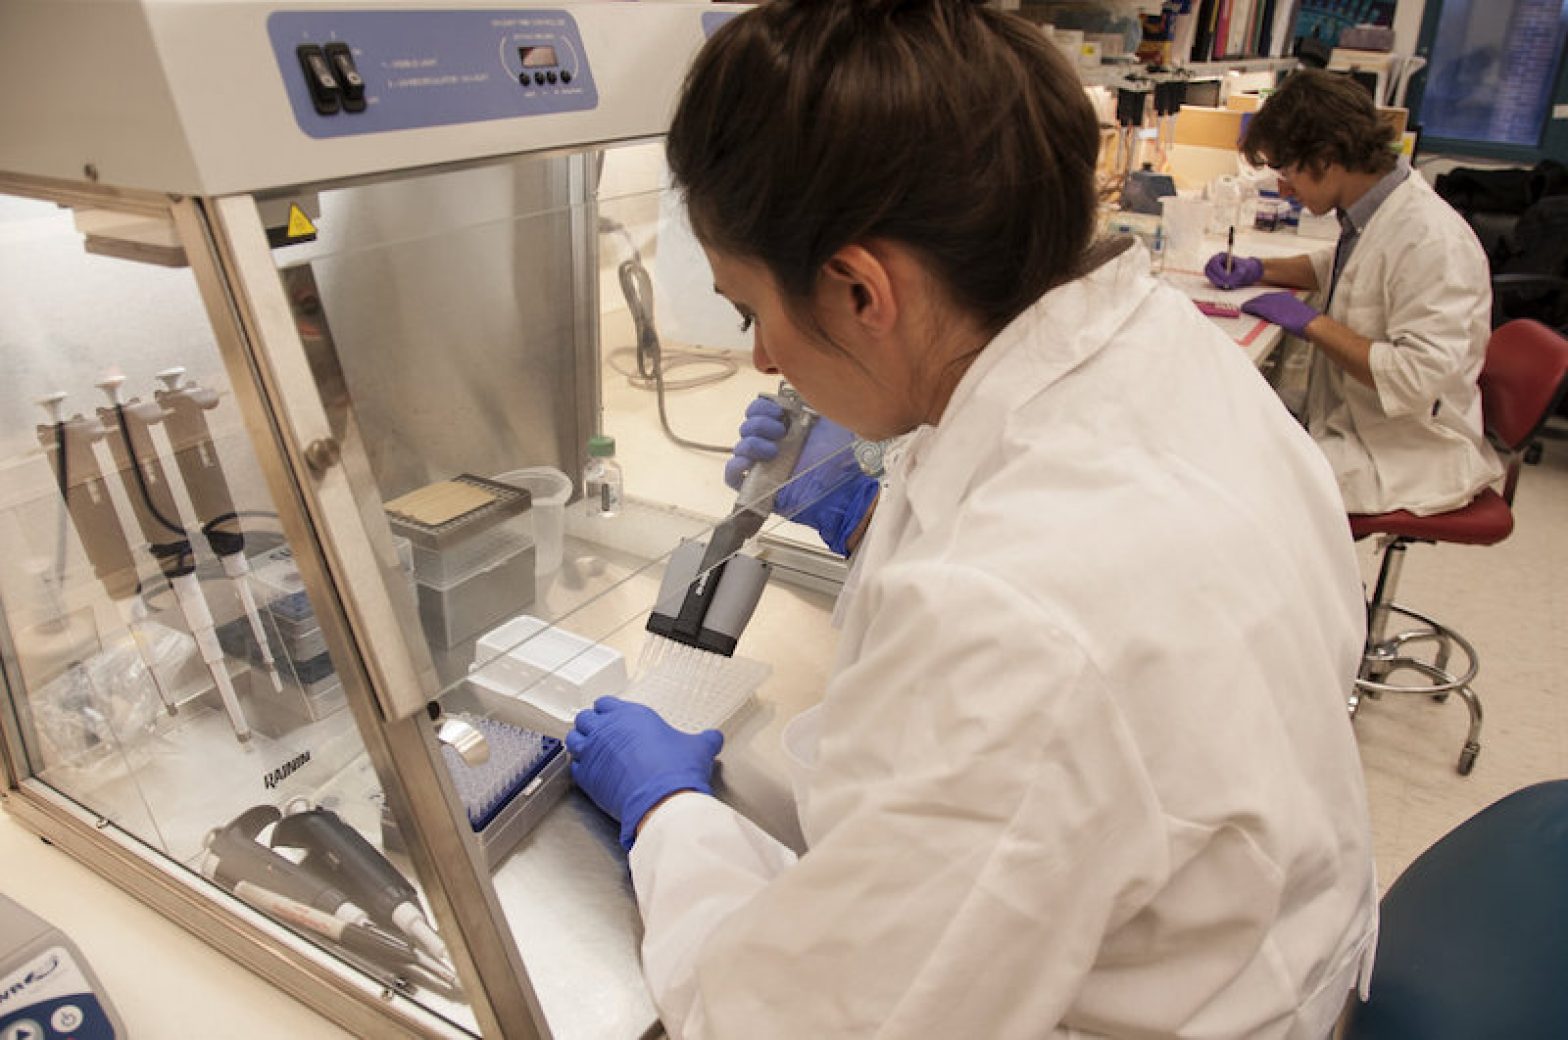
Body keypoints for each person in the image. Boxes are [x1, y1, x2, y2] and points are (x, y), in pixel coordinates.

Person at [567, 3, 1377, 1036]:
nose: (762, 358)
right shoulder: (1159, 344)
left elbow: (788, 1021)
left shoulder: (1017, 620)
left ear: (862, 288)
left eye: (747, 310)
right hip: (1240, 931)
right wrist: (872, 509)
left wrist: (667, 817)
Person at [1204, 69, 1503, 517]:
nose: (1282, 187)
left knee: (1231, 484)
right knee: (1225, 426)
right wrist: (1259, 269)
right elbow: (1349, 268)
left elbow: (1415, 378)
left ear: (1325, 158)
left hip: (1405, 451)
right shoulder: (1378, 210)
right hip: (1352, 419)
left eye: (1285, 170)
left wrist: (1312, 324)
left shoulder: (1434, 241)